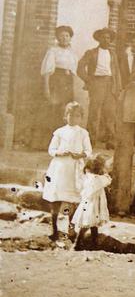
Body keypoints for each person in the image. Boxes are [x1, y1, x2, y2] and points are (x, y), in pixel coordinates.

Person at [42, 102, 92, 241]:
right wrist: (60, 152)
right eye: (70, 115)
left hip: (74, 169)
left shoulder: (83, 133)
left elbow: (88, 151)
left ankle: (71, 229)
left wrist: (80, 155)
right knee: (56, 198)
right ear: (65, 116)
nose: (73, 118)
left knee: (72, 199)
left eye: (76, 116)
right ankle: (54, 229)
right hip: (60, 168)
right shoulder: (59, 132)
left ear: (81, 118)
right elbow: (51, 150)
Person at [77, 28, 121, 148]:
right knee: (94, 113)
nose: (106, 40)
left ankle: (110, 141)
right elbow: (80, 67)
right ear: (99, 39)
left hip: (110, 84)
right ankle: (90, 141)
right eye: (103, 37)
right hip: (97, 83)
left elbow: (116, 72)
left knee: (111, 113)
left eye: (108, 38)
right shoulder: (91, 52)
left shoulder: (113, 54)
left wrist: (118, 88)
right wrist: (88, 80)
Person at [41, 25, 78, 133]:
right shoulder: (53, 51)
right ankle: (50, 140)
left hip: (68, 83)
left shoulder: (72, 53)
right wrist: (46, 88)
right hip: (56, 82)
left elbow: (73, 72)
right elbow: (47, 72)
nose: (64, 38)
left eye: (67, 36)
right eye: (61, 36)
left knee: (67, 110)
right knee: (55, 109)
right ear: (57, 38)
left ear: (70, 38)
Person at [72, 153, 112, 249]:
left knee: (93, 224)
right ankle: (77, 244)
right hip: (91, 205)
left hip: (92, 204)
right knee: (86, 224)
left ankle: (94, 242)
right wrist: (106, 173)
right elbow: (108, 180)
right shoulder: (96, 179)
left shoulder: (89, 176)